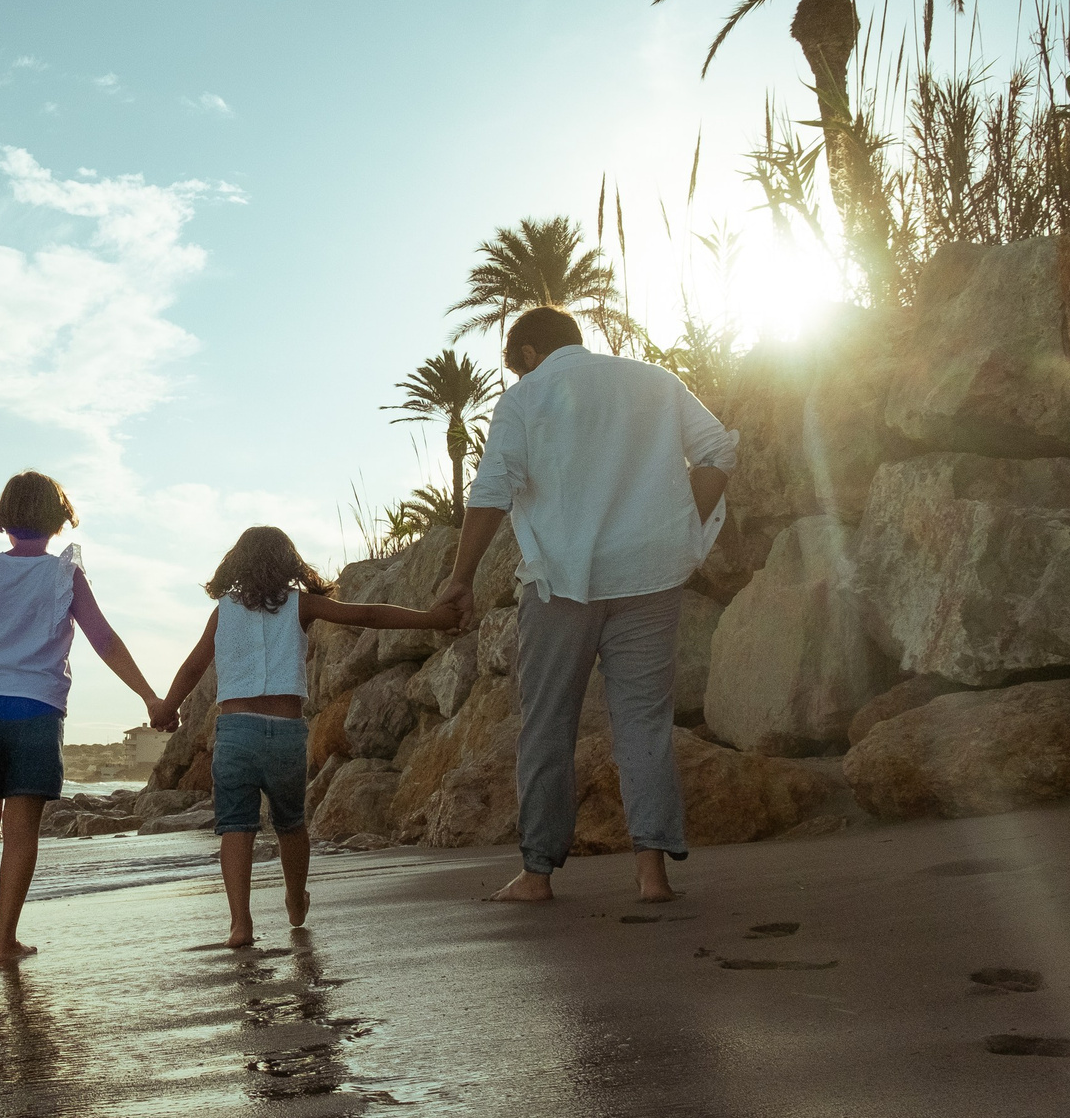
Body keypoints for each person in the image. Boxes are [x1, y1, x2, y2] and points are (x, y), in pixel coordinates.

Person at [430, 306, 735, 906]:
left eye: (518, 367)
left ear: (530, 353)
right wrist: (677, 528)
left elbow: (491, 490)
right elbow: (718, 452)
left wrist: (460, 577)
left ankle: (538, 875)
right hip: (650, 577)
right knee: (644, 725)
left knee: (548, 725)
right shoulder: (654, 380)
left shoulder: (524, 401)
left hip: (561, 585)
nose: (519, 378)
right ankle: (652, 875)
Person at [0, 471, 167, 963]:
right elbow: (104, 639)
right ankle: (5, 941)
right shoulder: (64, 573)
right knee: (20, 830)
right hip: (38, 707)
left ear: (3, 519)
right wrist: (149, 696)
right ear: (58, 519)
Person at [156, 527, 457, 949]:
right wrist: (432, 619)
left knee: (236, 829)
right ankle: (295, 901)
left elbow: (192, 668)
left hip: (236, 732)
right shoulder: (301, 605)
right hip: (284, 733)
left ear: (235, 564)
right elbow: (367, 616)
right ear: (289, 563)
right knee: (291, 824)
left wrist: (166, 708)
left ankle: (240, 924)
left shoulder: (223, 612)